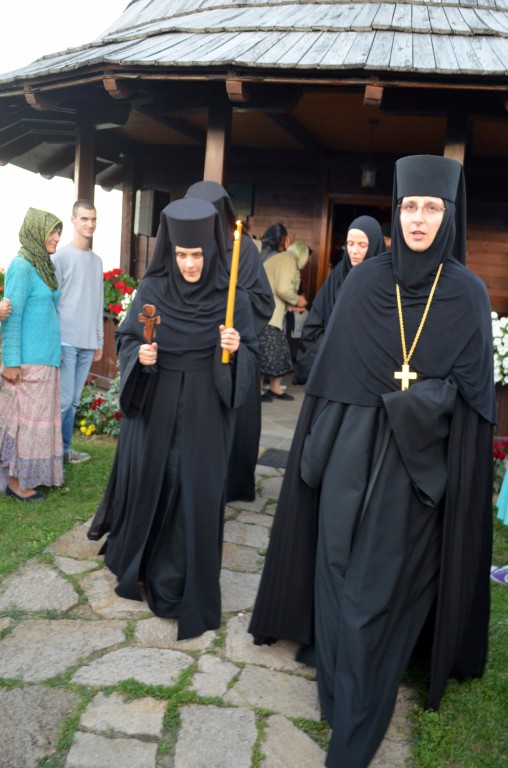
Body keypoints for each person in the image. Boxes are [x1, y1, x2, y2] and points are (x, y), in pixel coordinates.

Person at [249, 155, 495, 768]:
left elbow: (470, 401)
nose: (418, 219)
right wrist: (317, 451)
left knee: (376, 583)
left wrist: (416, 405)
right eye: (409, 206)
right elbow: (331, 377)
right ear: (397, 209)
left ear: (450, 215)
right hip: (350, 449)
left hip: (416, 465)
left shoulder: (466, 292)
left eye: (432, 208)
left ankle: (358, 708)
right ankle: (339, 680)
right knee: (335, 564)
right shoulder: (364, 282)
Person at [87, 198, 258, 640]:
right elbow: (127, 338)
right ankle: (141, 564)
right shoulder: (153, 290)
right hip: (156, 405)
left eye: (197, 254)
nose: (189, 264)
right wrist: (139, 356)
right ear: (170, 251)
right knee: (153, 480)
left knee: (194, 491)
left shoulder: (232, 297)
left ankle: (182, 582)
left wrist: (236, 349)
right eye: (181, 254)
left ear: (212, 250)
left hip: (205, 409)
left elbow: (252, 359)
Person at [185, 180, 274, 502]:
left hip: (230, 346)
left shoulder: (243, 248)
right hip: (191, 345)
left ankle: (228, 483)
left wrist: (227, 302)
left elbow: (261, 300)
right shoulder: (185, 245)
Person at [0, 208, 64, 501]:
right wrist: (11, 362)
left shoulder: (43, 266)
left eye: (58, 232)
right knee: (24, 425)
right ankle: (15, 482)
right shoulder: (22, 266)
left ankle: (29, 474)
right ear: (36, 232)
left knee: (38, 425)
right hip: (26, 361)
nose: (57, 237)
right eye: (52, 231)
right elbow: (12, 317)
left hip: (45, 358)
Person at [292, 215, 384, 384]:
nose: (354, 251)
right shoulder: (337, 276)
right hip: (334, 366)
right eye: (350, 243)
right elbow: (316, 322)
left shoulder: (385, 279)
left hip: (370, 370)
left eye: (362, 245)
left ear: (374, 245)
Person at [52, 199, 103, 464]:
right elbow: (52, 302)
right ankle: (47, 453)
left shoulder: (97, 261)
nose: (90, 224)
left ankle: (63, 451)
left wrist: (99, 340)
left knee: (73, 402)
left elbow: (98, 302)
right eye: (84, 218)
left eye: (93, 219)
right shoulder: (59, 257)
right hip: (65, 340)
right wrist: (54, 341)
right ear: (73, 220)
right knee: (63, 401)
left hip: (88, 342)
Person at [260, 240, 309, 401]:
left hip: (269, 313)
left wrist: (291, 305)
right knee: (267, 353)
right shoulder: (288, 260)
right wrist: (297, 300)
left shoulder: (284, 259)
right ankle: (259, 390)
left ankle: (274, 388)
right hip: (269, 316)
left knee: (278, 352)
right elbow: (283, 288)